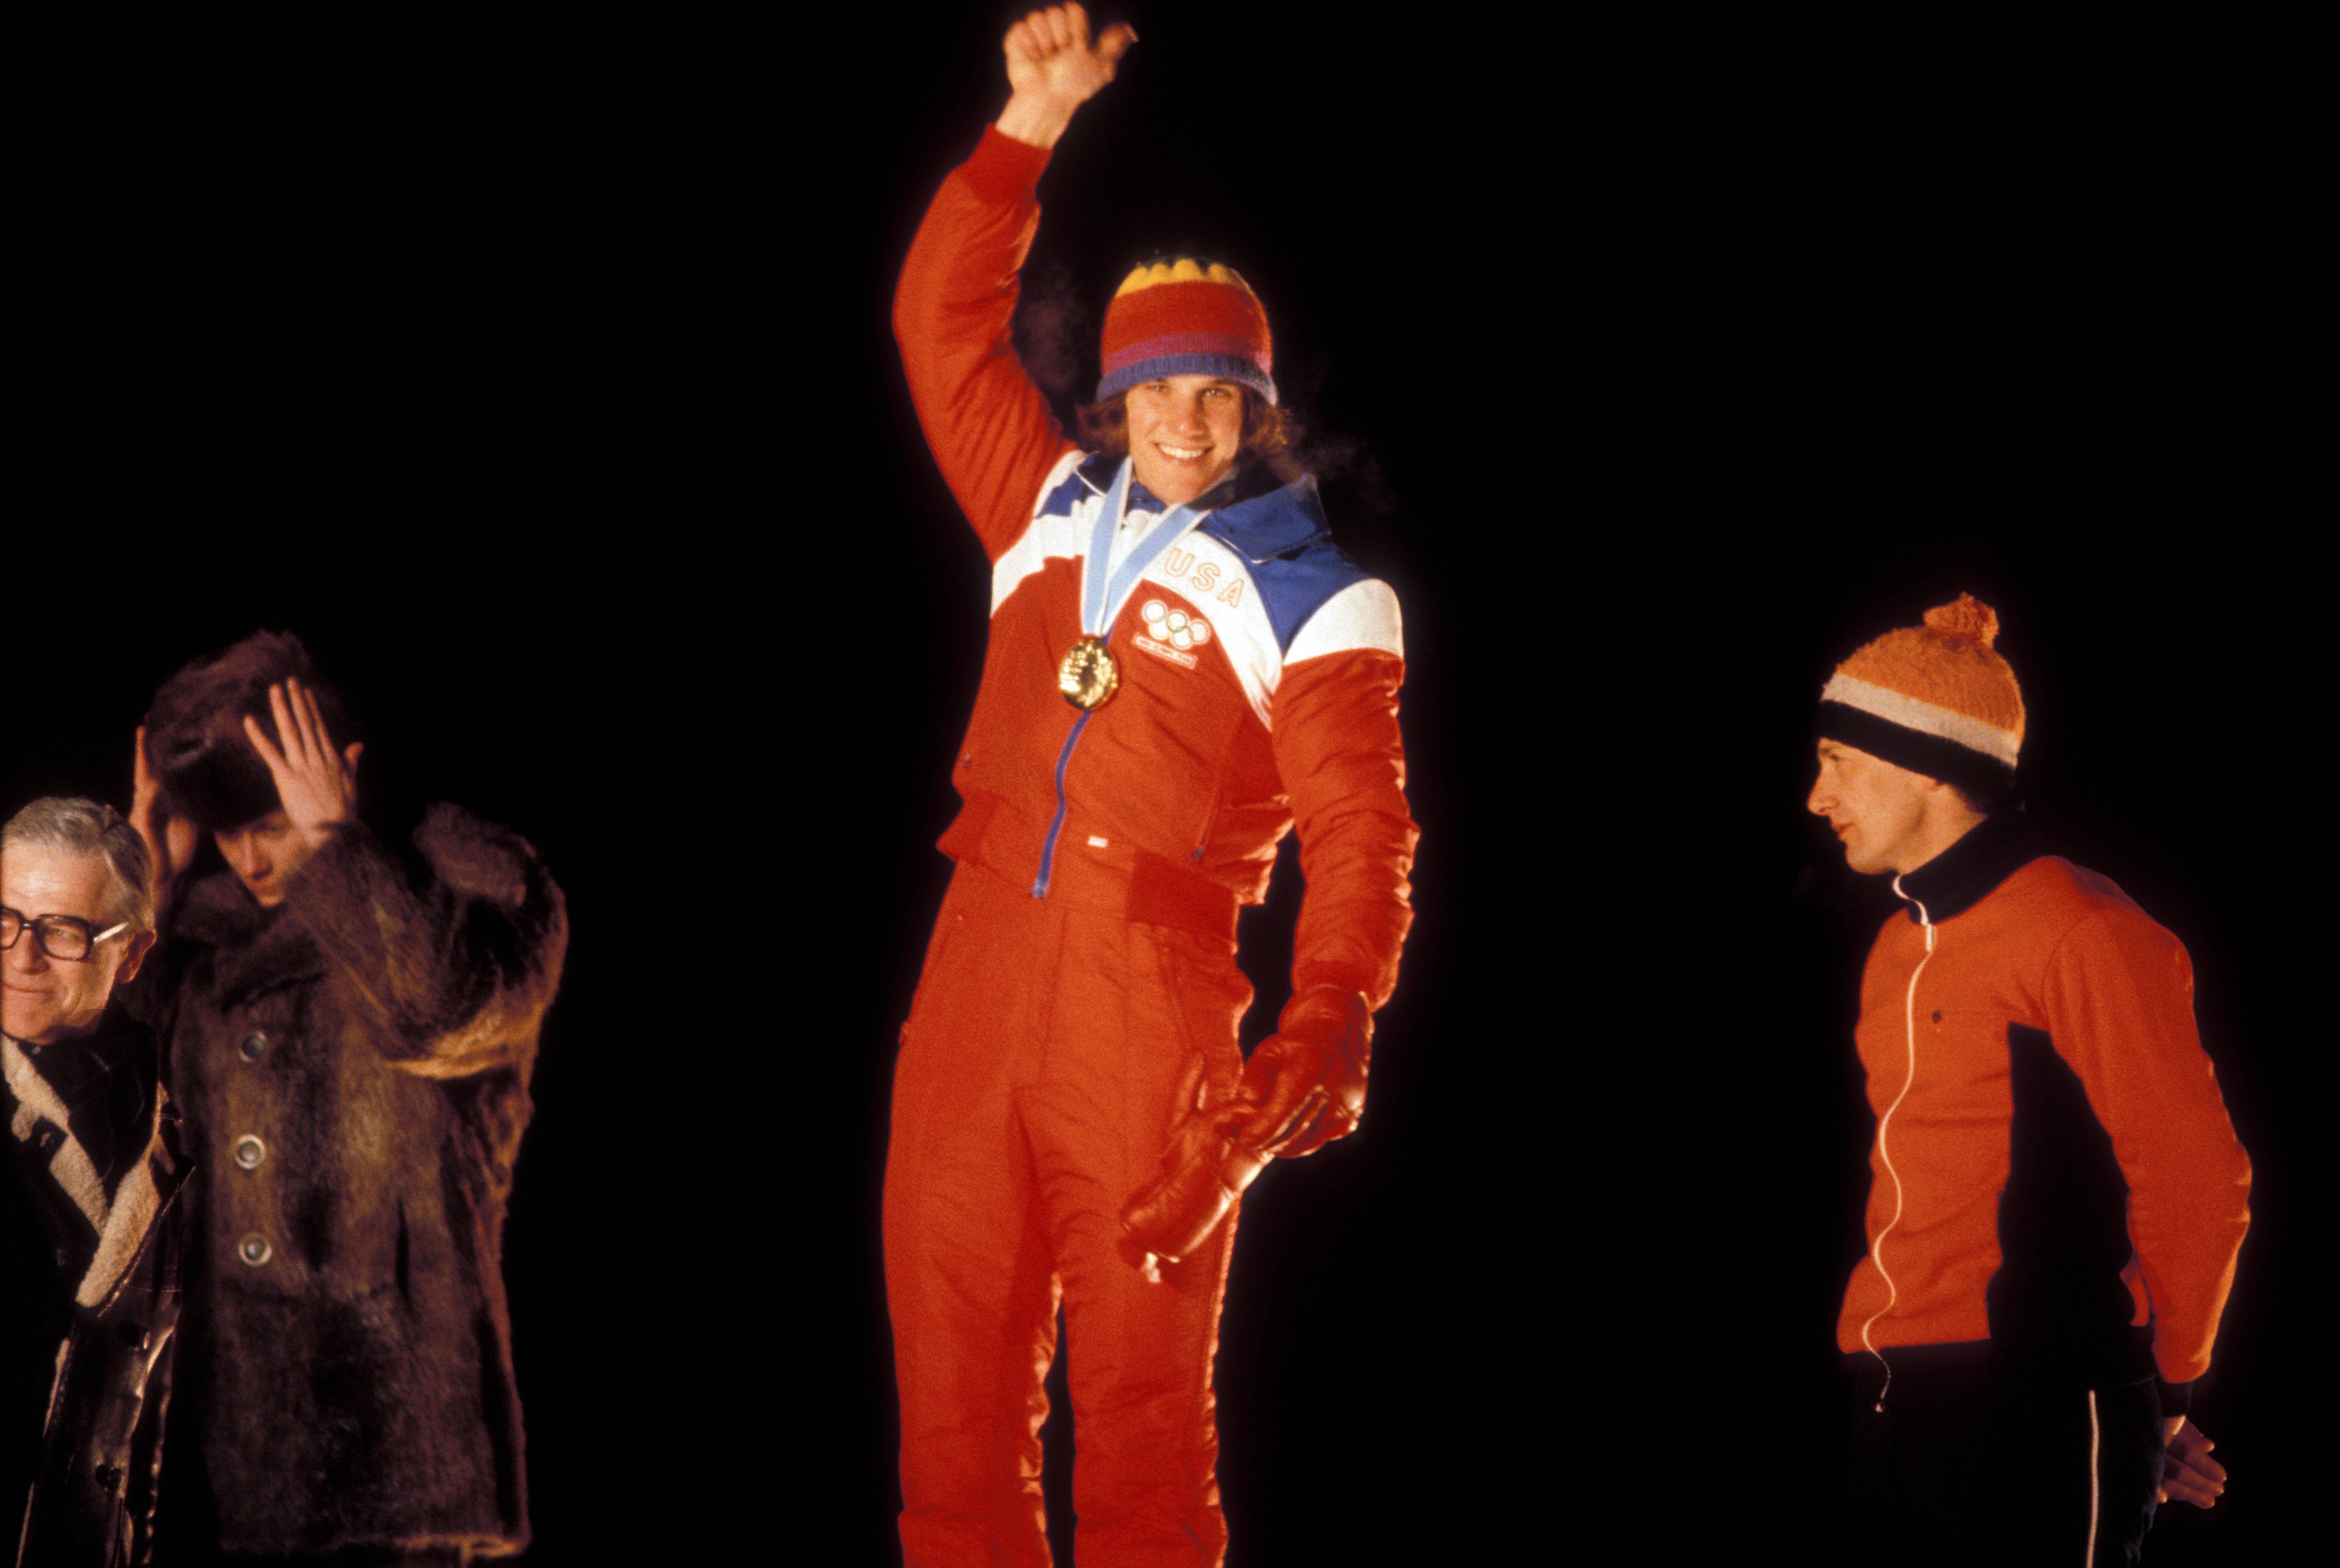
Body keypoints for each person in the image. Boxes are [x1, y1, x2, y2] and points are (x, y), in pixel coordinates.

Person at [885, 7, 1419, 1563]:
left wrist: (1331, 1010)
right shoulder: (1040, 504)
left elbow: (1363, 832)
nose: (1187, 419)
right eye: (1161, 389)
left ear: (1256, 409)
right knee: (953, 1428)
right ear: (1116, 401)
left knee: (1138, 1437)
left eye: (1218, 393)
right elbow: (939, 324)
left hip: (1149, 1006)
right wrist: (1027, 125)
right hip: (975, 979)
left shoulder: (1320, 595)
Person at [1806, 594, 2251, 1564]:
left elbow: (2198, 1178)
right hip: (1893, 1405)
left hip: (2038, 1400)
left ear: (1924, 764)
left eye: (1837, 761)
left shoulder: (2083, 929)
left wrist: (2165, 1390)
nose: (1816, 795)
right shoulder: (1896, 944)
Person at [124, 632, 566, 1566]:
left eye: (270, 819)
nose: (250, 857)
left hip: (401, 1471)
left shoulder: (473, 896)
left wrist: (329, 842)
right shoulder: (204, 946)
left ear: (343, 772)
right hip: (215, 1465)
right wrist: (145, 897)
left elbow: (432, 1017)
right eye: (227, 828)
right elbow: (118, 1099)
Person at [3, 797, 188, 1566]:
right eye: (3, 919)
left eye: (63, 931)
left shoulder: (169, 1113)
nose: (21, 957)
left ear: (133, 953)